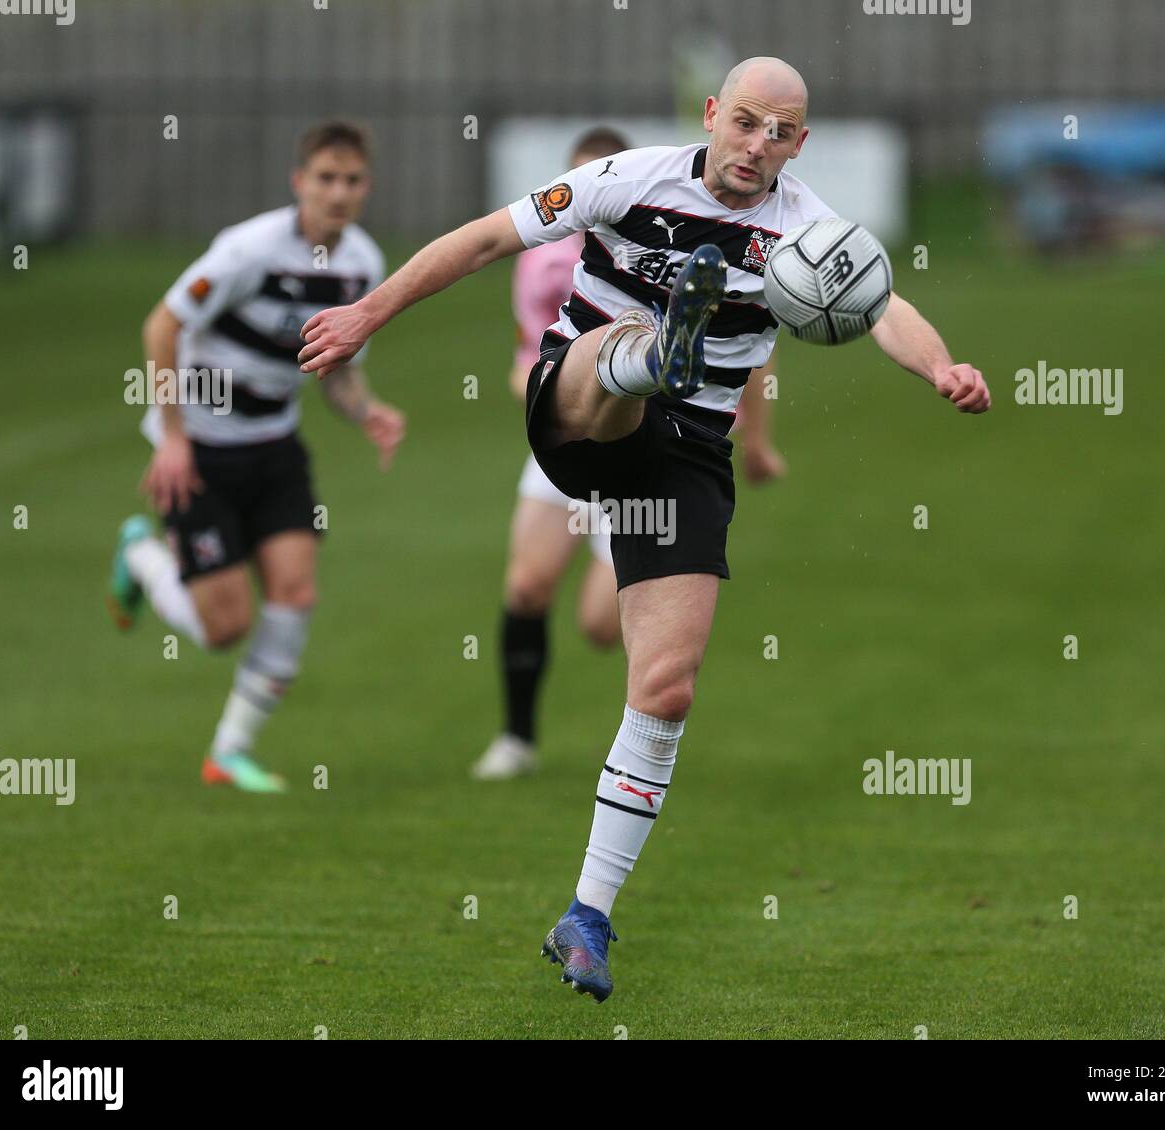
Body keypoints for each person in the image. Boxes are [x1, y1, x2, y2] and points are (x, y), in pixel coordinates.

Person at [298, 58, 990, 1000]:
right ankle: (652, 351)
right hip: (577, 408)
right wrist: (369, 312)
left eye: (779, 131)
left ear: (800, 141)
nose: (757, 146)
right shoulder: (625, 181)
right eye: (744, 122)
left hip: (687, 455)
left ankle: (586, 914)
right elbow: (481, 241)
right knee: (609, 363)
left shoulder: (808, 227)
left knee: (665, 689)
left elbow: (881, 304)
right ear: (712, 114)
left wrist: (942, 367)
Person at [474, 125, 790, 781]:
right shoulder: (541, 262)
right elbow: (526, 349)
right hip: (569, 432)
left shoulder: (676, 244)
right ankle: (516, 738)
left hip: (650, 454)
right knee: (527, 585)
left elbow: (750, 355)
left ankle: (639, 737)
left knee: (598, 624)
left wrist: (757, 441)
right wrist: (536, 385)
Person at [107, 120, 405, 793]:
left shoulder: (362, 263)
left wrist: (368, 411)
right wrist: (174, 438)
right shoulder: (247, 250)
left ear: (367, 187)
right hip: (202, 450)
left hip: (274, 446)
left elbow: (337, 370)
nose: (339, 192)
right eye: (325, 178)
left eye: (352, 180)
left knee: (295, 593)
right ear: (299, 182)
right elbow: (164, 323)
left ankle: (228, 753)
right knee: (224, 628)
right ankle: (141, 556)